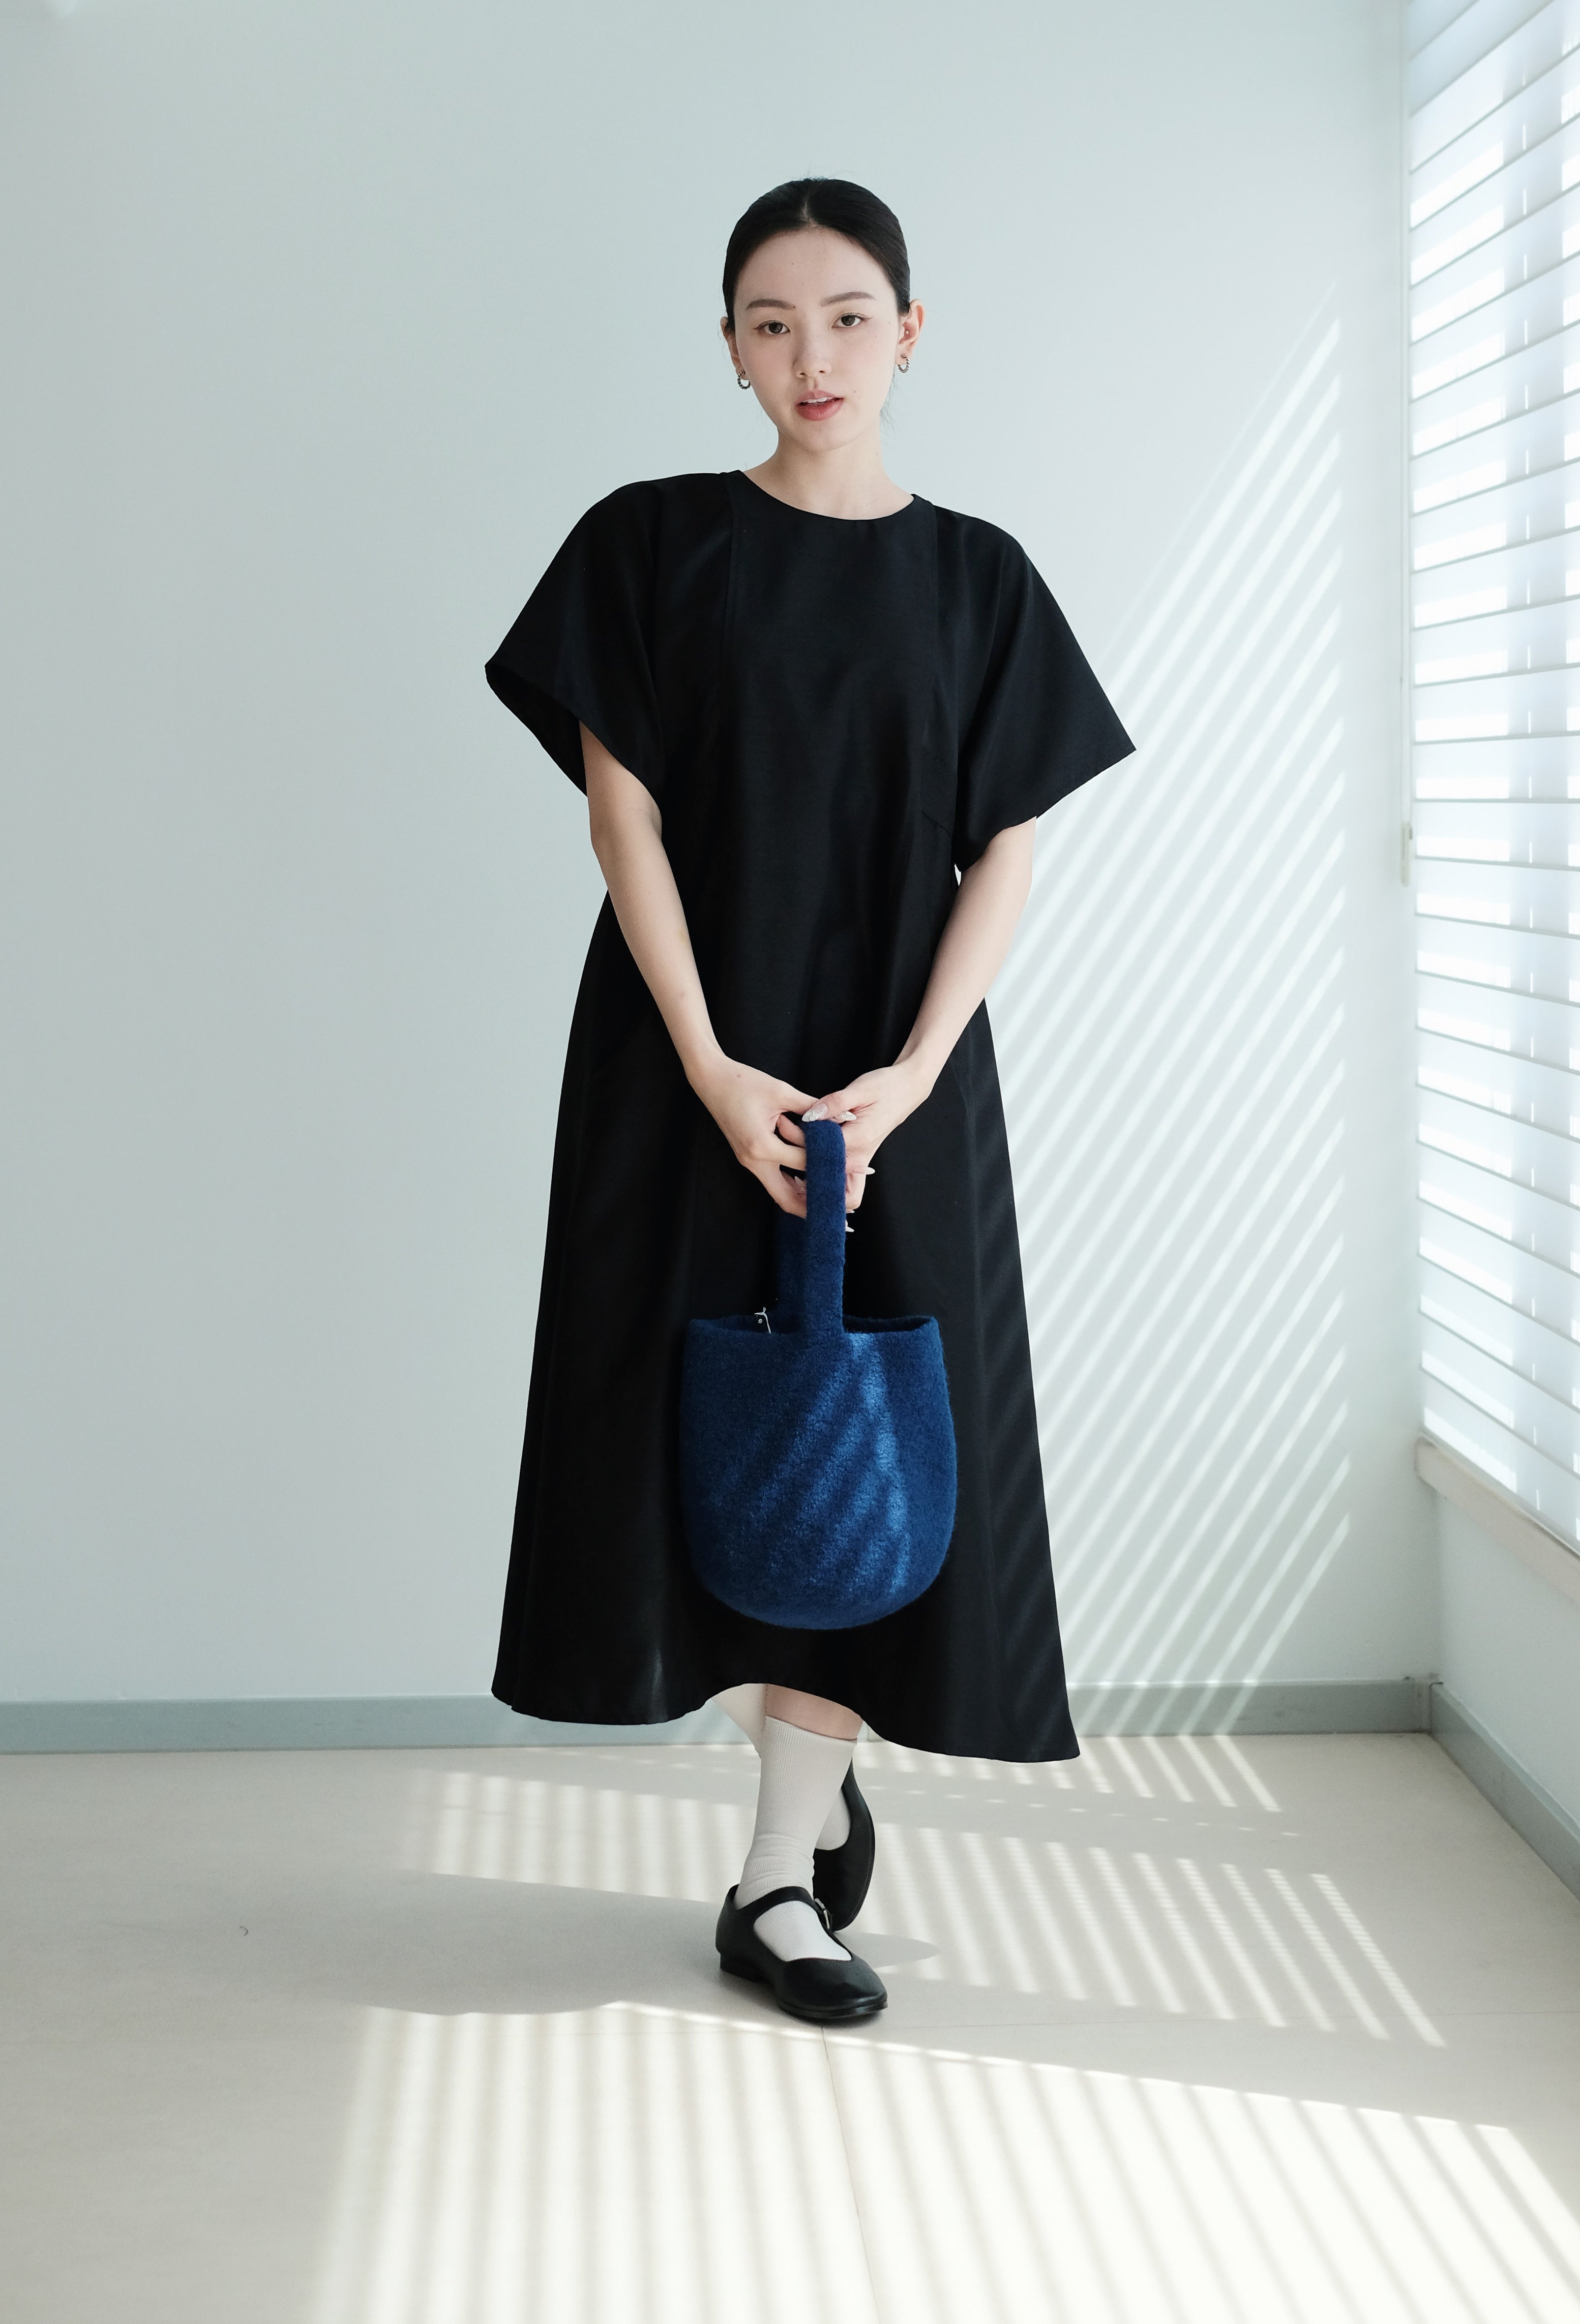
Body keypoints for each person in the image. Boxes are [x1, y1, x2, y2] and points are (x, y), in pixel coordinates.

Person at [485, 176, 1133, 2025]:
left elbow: (1007, 851)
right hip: (683, 1063)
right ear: (730, 349)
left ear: (910, 333)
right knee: (693, 1437)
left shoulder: (978, 578)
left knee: (868, 1447)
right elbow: (626, 823)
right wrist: (708, 1065)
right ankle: (800, 1766)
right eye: (771, 323)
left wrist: (911, 1077)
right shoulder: (649, 543)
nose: (813, 355)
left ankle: (776, 1872)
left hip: (892, 1077)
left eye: (848, 317)